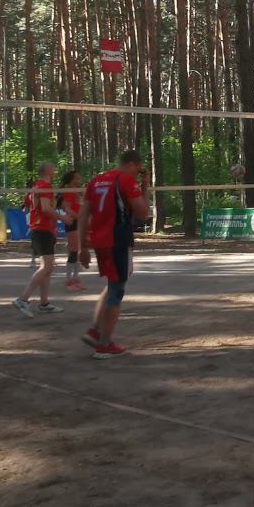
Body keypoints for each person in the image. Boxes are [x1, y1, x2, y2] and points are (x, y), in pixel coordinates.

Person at [77, 150, 149, 359]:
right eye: (138, 169)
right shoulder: (125, 180)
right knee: (117, 290)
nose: (138, 173)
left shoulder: (96, 181)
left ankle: (95, 330)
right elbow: (143, 213)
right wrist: (145, 186)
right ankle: (105, 344)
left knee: (111, 284)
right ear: (132, 164)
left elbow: (83, 214)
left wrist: (82, 247)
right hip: (118, 240)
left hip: (100, 241)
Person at [13, 162, 64, 317]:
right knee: (47, 267)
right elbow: (46, 209)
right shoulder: (44, 187)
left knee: (47, 267)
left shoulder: (35, 187)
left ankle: (44, 303)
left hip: (42, 229)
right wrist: (63, 218)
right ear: (48, 171)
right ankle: (23, 299)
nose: (55, 170)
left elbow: (29, 208)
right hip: (42, 230)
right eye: (53, 168)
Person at [58, 170, 85, 291]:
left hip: (78, 221)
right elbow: (67, 208)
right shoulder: (68, 191)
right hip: (73, 222)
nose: (80, 180)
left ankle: (76, 278)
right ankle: (69, 280)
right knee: (74, 251)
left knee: (77, 251)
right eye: (77, 178)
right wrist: (78, 217)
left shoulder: (76, 192)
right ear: (71, 180)